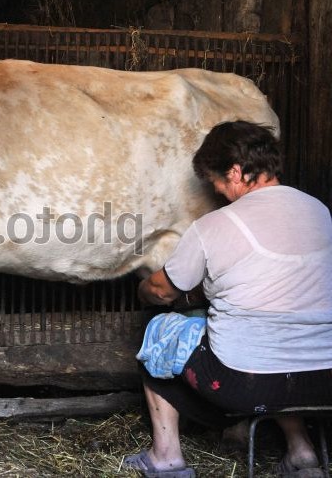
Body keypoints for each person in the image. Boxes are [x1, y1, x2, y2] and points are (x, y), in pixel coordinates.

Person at [123, 121, 332, 478]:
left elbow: (162, 290)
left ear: (235, 172)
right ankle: (302, 451)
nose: (217, 191)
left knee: (159, 329)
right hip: (323, 381)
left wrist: (143, 289)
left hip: (242, 383)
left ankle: (166, 457)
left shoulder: (215, 225)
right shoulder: (320, 212)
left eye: (216, 181)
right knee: (283, 338)